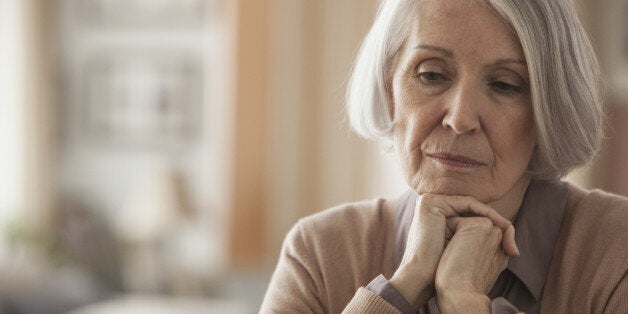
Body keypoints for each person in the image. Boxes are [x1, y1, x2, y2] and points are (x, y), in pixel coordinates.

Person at [261, 0, 628, 313]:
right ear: (389, 87)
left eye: (504, 85)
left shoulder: (617, 249)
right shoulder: (319, 252)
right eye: (431, 75)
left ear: (549, 109)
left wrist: (464, 301)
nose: (460, 118)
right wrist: (401, 289)